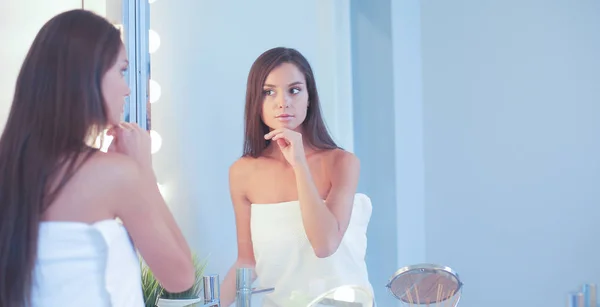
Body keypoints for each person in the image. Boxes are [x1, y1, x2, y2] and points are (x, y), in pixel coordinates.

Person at [0, 10, 194, 307]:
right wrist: (144, 173)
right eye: (121, 70)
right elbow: (180, 276)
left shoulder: (9, 169)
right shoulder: (115, 175)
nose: (127, 88)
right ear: (87, 76)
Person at [220, 47, 374, 306]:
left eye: (294, 90)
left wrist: (299, 164)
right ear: (255, 102)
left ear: (309, 97)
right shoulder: (242, 172)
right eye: (269, 92)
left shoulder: (342, 163)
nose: (283, 102)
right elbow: (247, 261)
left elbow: (324, 245)